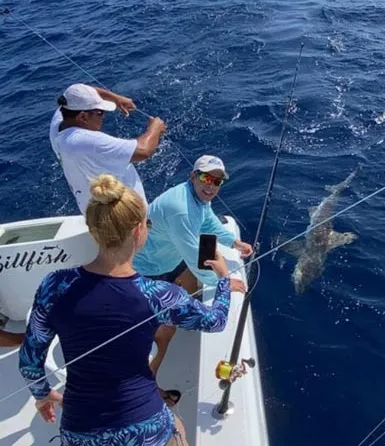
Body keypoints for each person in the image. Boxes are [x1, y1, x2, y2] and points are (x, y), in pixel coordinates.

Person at [19, 174, 235, 446]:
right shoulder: (159, 295)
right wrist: (224, 280)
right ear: (137, 230)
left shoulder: (54, 284)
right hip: (146, 430)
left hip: (79, 432)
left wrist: (41, 395)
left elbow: (29, 362)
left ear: (94, 229)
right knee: (176, 425)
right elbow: (216, 321)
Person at [134, 154, 253, 294]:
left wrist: (234, 242)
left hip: (171, 255)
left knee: (207, 244)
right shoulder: (181, 210)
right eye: (206, 178)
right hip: (152, 268)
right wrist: (224, 283)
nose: (211, 185)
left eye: (217, 181)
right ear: (193, 176)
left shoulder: (199, 194)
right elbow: (192, 254)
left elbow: (209, 222)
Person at [50, 83, 166, 213]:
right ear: (82, 116)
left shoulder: (60, 120)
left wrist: (116, 98)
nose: (103, 116)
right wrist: (155, 128)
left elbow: (83, 91)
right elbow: (143, 151)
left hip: (92, 210)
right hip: (121, 214)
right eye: (99, 112)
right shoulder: (86, 142)